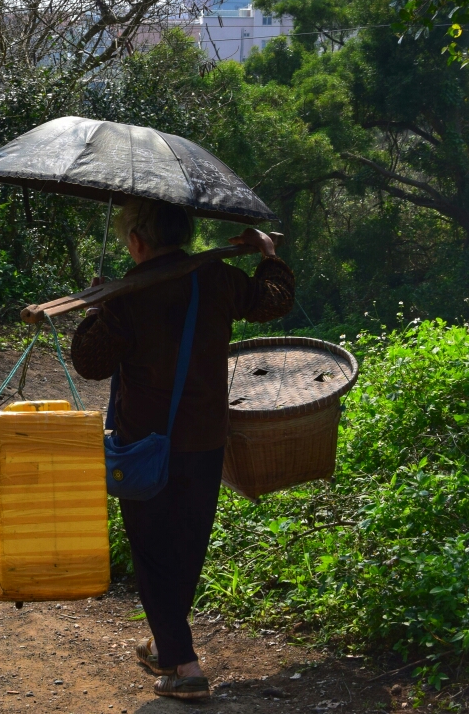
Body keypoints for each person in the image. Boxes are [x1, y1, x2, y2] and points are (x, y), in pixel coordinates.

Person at [70, 197, 295, 701]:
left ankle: (186, 667)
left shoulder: (129, 295)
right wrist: (265, 252)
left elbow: (89, 363)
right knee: (187, 544)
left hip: (144, 443)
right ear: (184, 235)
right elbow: (274, 298)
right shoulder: (215, 278)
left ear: (137, 241)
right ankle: (165, 644)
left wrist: (98, 308)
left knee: (152, 551)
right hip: (204, 438)